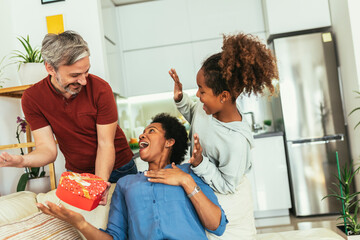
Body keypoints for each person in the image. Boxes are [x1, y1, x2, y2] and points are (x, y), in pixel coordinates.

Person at [37, 113, 228, 240]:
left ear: (169, 142)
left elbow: (217, 226)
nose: (142, 135)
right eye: (143, 132)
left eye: (151, 131)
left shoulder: (190, 173)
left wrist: (186, 182)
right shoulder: (126, 183)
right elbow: (114, 237)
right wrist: (80, 224)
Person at [0, 31, 137, 203]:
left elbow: (105, 144)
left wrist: (99, 184)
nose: (84, 81)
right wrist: (21, 160)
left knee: (123, 224)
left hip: (119, 168)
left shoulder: (101, 89)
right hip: (78, 174)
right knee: (87, 226)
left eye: (86, 72)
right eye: (74, 75)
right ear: (50, 68)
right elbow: (47, 150)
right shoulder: (33, 98)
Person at [169, 33, 279, 239]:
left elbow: (228, 185)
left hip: (231, 206)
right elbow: (194, 113)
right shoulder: (206, 109)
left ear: (224, 96)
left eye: (202, 91)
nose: (198, 95)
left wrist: (201, 163)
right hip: (206, 193)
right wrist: (180, 99)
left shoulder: (236, 141)